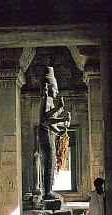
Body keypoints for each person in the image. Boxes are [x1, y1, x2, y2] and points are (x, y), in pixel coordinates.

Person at [38, 66, 71, 200]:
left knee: (51, 162)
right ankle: (47, 192)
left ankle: (48, 190)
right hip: (44, 133)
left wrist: (62, 123)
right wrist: (61, 116)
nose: (57, 92)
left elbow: (51, 121)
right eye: (55, 89)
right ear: (50, 87)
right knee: (49, 162)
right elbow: (46, 119)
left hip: (47, 132)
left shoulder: (49, 100)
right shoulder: (47, 99)